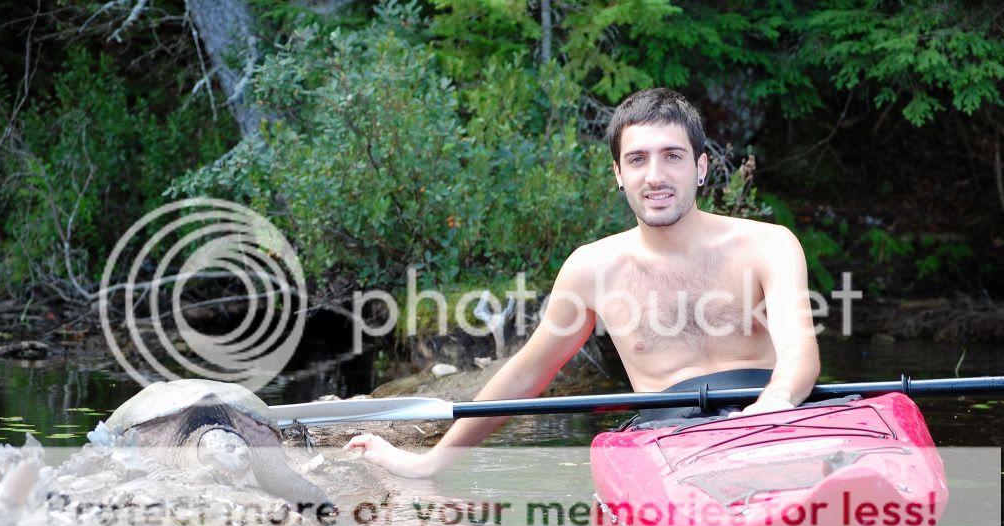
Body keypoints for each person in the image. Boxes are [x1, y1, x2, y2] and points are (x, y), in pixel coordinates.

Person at [346, 87, 820, 477]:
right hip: (671, 438)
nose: (655, 176)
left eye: (672, 156)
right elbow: (528, 374)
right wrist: (431, 463)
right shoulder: (591, 268)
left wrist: (776, 400)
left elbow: (799, 349)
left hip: (772, 418)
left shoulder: (768, 244)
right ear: (618, 174)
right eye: (637, 160)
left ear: (700, 167)